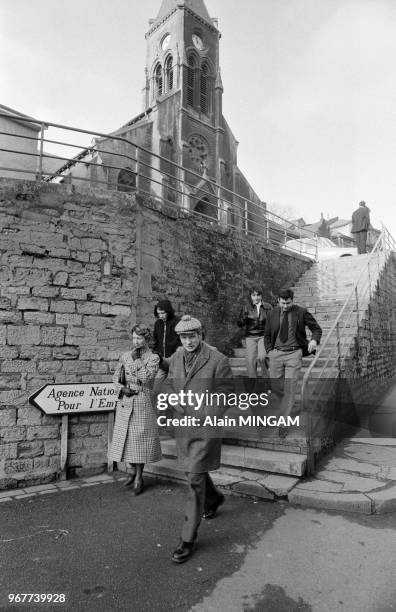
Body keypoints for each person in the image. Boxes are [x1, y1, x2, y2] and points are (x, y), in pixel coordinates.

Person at [162, 315, 234, 564]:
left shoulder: (218, 360)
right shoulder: (177, 357)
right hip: (183, 426)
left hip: (204, 428)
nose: (188, 341)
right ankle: (214, 498)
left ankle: (187, 539)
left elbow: (226, 393)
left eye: (192, 336)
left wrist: (205, 414)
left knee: (193, 478)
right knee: (195, 473)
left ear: (201, 335)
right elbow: (170, 383)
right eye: (184, 337)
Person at [110, 324, 162, 495]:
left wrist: (136, 359)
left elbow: (147, 377)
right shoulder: (125, 356)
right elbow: (116, 378)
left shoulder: (153, 358)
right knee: (126, 440)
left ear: (146, 339)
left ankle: (139, 477)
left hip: (141, 402)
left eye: (139, 338)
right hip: (126, 402)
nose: (136, 341)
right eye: (134, 338)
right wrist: (121, 389)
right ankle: (131, 471)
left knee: (140, 442)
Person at [264, 288, 322, 437]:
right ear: (278, 301)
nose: (285, 306)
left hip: (294, 354)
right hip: (276, 354)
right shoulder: (271, 314)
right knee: (276, 386)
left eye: (288, 303)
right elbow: (267, 335)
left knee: (289, 388)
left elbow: (316, 328)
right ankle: (292, 406)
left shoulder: (301, 312)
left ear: (292, 300)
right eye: (283, 303)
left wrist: (314, 340)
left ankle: (283, 423)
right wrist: (270, 351)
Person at [237, 287, 272, 380]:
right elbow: (240, 324)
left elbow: (273, 322)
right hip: (250, 337)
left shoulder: (268, 307)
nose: (256, 298)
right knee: (250, 361)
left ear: (261, 296)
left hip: (263, 336)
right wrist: (244, 317)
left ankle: (266, 379)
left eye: (258, 295)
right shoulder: (246, 307)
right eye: (254, 295)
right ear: (251, 296)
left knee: (262, 357)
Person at [152, 299, 181, 396]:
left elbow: (182, 342)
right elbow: (155, 341)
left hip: (176, 362)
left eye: (163, 313)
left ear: (168, 311)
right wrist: (156, 353)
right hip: (162, 363)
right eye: (158, 313)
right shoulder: (157, 324)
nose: (160, 316)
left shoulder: (177, 322)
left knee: (175, 391)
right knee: (156, 389)